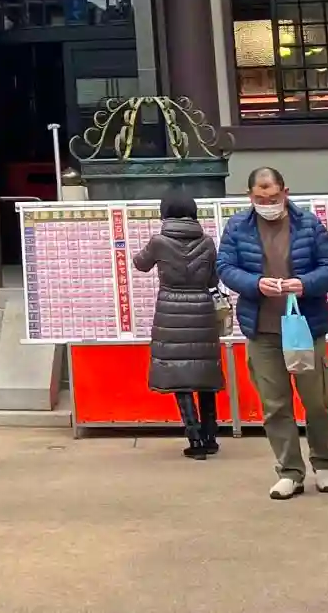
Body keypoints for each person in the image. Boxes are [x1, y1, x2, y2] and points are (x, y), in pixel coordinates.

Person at [216, 166, 328, 500]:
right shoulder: (237, 227)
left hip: (306, 327)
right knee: (275, 405)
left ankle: (323, 463)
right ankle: (289, 471)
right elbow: (225, 267)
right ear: (250, 196)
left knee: (317, 401)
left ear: (285, 193)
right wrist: (255, 283)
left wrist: (305, 284)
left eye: (273, 197)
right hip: (262, 329)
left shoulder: (308, 225)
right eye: (261, 199)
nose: (268, 204)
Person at [132, 190, 225, 459]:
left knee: (179, 375)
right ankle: (210, 438)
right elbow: (213, 280)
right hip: (202, 311)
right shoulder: (207, 241)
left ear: (165, 213)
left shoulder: (159, 241)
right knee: (205, 374)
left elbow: (140, 264)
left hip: (170, 311)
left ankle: (195, 441)